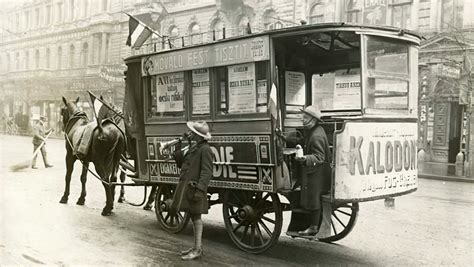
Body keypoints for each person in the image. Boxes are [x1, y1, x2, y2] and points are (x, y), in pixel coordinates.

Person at [170, 120, 213, 261]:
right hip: (190, 189)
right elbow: (180, 161)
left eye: (194, 133)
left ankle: (197, 249)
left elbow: (207, 173)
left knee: (196, 217)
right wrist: (181, 143)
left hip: (195, 190)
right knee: (194, 217)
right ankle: (196, 247)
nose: (191, 134)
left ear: (199, 136)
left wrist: (200, 190)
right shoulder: (196, 147)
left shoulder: (205, 150)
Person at [292, 105, 331, 236]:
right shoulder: (315, 130)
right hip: (317, 171)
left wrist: (304, 158)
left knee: (313, 198)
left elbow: (319, 157)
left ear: (313, 119)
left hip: (317, 173)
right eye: (303, 116)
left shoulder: (316, 136)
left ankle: (313, 227)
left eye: (305, 117)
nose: (302, 119)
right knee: (311, 196)